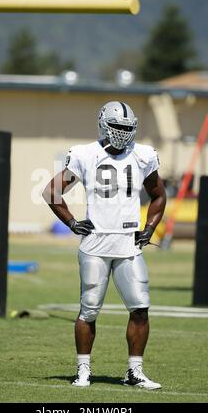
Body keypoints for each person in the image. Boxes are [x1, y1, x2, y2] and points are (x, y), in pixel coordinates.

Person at [42, 101, 166, 390]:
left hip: (127, 244)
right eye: (117, 127)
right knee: (89, 310)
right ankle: (83, 369)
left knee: (140, 308)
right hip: (95, 244)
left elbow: (158, 195)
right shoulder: (85, 154)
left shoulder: (144, 155)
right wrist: (72, 222)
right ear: (103, 124)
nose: (122, 133)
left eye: (127, 128)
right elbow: (51, 191)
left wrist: (149, 228)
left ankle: (134, 372)